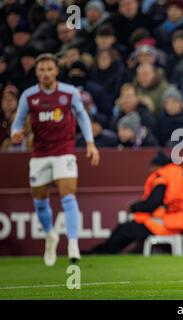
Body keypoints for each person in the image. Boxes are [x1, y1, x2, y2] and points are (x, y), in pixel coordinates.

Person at [10, 53, 100, 266]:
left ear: (56, 71)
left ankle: (73, 243)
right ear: (36, 72)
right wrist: (15, 132)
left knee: (68, 197)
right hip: (40, 153)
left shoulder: (69, 93)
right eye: (42, 70)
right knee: (40, 202)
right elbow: (18, 121)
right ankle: (50, 235)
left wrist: (90, 143)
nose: (46, 74)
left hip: (64, 151)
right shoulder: (29, 96)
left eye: (50, 69)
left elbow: (83, 116)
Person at [87, 151, 183, 254]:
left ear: (157, 166)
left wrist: (133, 207)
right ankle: (103, 250)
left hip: (163, 224)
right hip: (177, 223)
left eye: (152, 167)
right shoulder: (177, 174)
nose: (150, 170)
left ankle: (103, 252)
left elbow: (152, 204)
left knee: (125, 229)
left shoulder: (162, 177)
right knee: (130, 228)